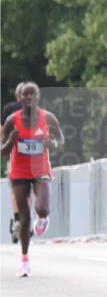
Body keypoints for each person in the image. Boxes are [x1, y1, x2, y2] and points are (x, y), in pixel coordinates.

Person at [1, 82, 64, 277]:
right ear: (19, 98)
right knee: (24, 217)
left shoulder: (48, 118)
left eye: (33, 95)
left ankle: (43, 218)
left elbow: (61, 139)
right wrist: (11, 141)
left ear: (38, 97)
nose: (29, 99)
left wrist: (53, 143)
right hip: (19, 170)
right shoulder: (12, 120)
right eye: (25, 96)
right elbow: (3, 151)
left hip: (40, 169)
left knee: (42, 209)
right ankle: (25, 260)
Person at [2, 82, 24, 243]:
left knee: (15, 188)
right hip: (34, 157)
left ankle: (17, 219)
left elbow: (2, 130)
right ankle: (23, 218)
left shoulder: (9, 109)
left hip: (14, 155)